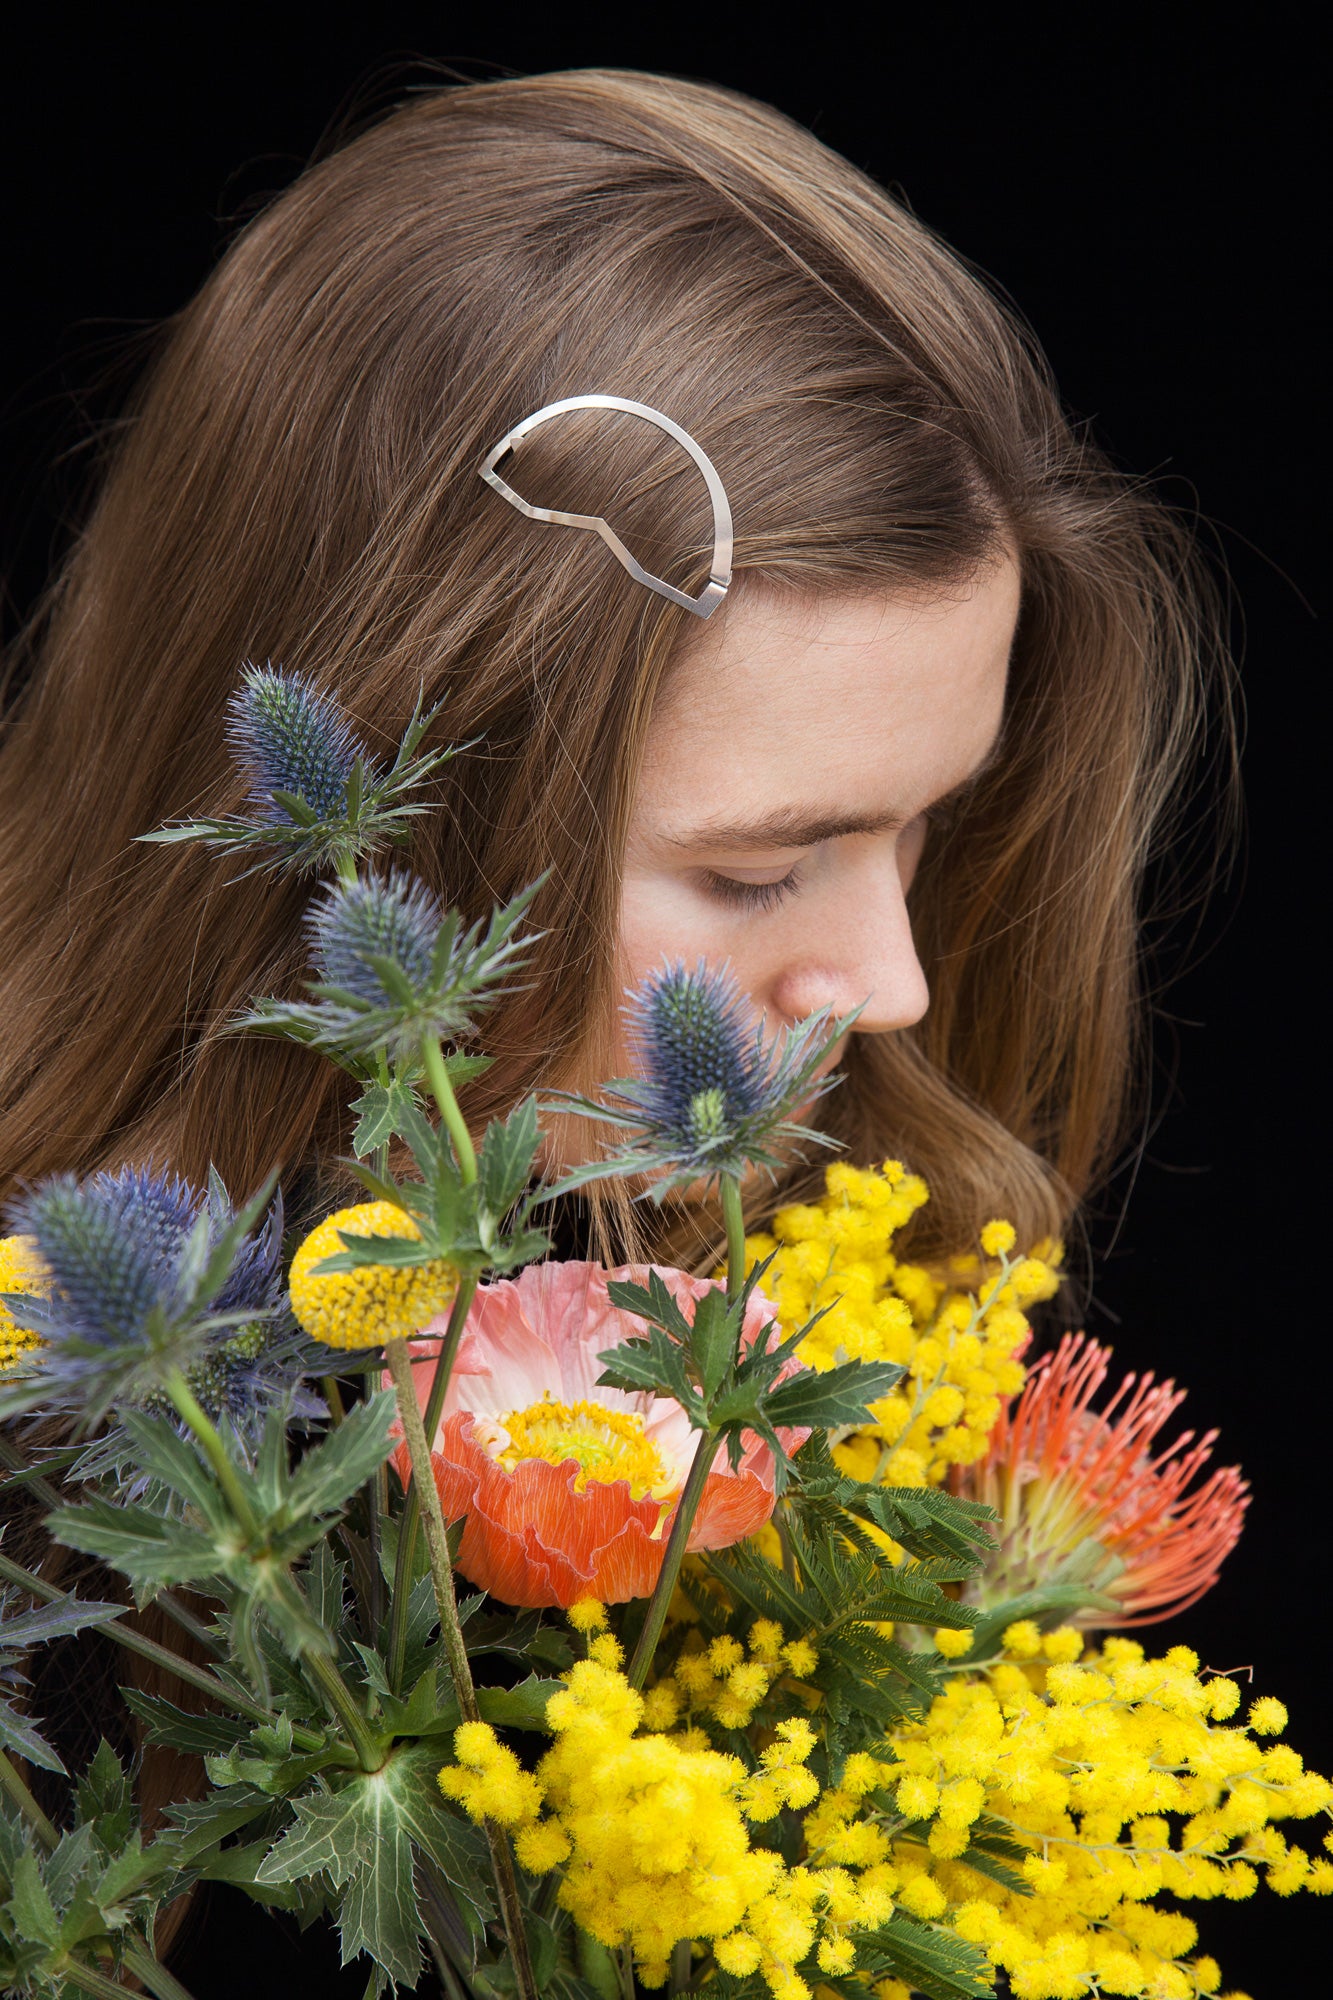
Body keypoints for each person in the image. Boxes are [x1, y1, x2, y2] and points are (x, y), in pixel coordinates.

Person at [0, 69, 1231, 1975]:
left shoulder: (787, 1327)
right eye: (760, 871)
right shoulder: (80, 1516)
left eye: (929, 824)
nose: (889, 989)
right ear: (372, 846)